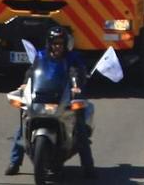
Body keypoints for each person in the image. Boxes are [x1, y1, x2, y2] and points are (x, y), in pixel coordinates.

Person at [8, 24, 87, 174]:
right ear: (50, 44)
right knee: (22, 126)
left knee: (80, 128)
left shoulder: (72, 57)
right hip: (42, 95)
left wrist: (76, 85)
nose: (58, 47)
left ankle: (88, 166)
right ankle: (14, 162)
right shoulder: (41, 56)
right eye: (55, 43)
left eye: (61, 44)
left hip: (65, 96)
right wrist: (25, 84)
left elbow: (75, 72)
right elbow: (32, 71)